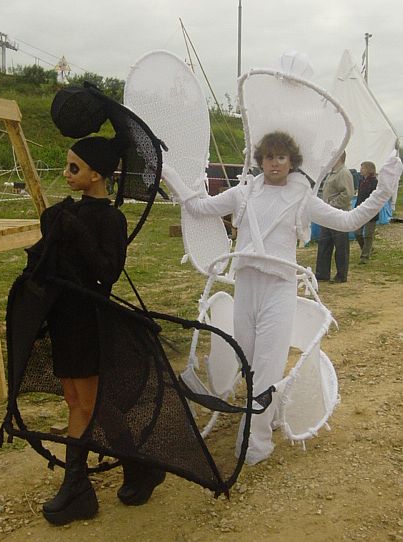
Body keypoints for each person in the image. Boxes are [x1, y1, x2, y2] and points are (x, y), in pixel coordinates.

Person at [162, 131, 402, 466]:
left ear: (292, 161)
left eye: (281, 157)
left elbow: (348, 221)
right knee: (247, 360)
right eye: (269, 157)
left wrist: (384, 190)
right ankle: (269, 413)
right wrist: (168, 170)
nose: (274, 163)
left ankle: (255, 441)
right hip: (246, 286)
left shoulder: (303, 198)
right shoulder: (243, 192)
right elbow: (198, 207)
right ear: (260, 160)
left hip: (279, 289)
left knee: (268, 365)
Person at [24, 136, 164, 525]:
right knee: (81, 400)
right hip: (64, 318)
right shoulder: (68, 211)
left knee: (86, 403)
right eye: (67, 165)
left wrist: (77, 230)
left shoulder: (111, 219)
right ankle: (139, 468)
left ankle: (77, 489)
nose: (66, 173)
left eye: (74, 168)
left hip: (88, 320)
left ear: (97, 174)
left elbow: (107, 272)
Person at [315, 151, 355, 283]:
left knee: (341, 246)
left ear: (339, 158)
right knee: (324, 244)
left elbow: (347, 194)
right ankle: (322, 273)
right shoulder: (332, 173)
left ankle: (341, 275)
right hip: (328, 215)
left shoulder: (344, 173)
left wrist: (331, 204)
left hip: (339, 215)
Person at [354, 161, 378, 263]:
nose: (361, 170)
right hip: (360, 210)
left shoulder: (375, 182)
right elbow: (359, 197)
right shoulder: (361, 181)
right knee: (357, 232)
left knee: (368, 234)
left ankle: (365, 256)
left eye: (363, 168)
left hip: (371, 211)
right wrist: (356, 208)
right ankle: (368, 248)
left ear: (369, 169)